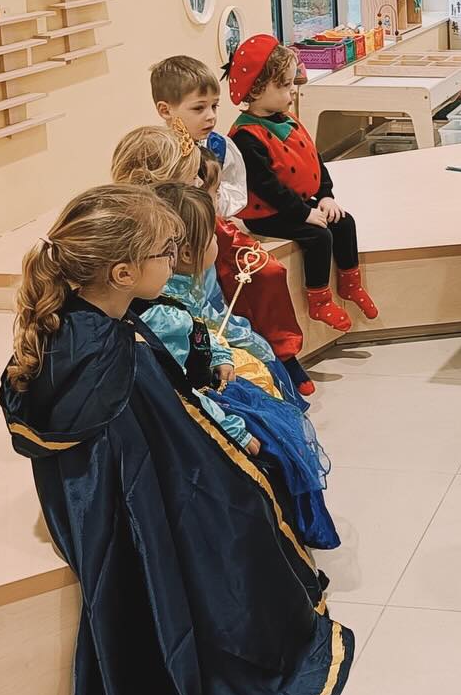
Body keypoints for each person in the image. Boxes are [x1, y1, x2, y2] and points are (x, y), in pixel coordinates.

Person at [0, 184, 351, 695]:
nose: (176, 258)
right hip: (123, 502)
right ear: (121, 270)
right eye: (167, 250)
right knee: (241, 504)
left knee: (240, 483)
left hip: (96, 485)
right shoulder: (118, 350)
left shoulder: (83, 325)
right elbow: (168, 450)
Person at [142, 182, 339, 549]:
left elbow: (200, 329)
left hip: (209, 382)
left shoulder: (178, 293)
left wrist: (221, 355)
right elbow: (181, 383)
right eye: (213, 237)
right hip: (204, 409)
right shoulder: (162, 314)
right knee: (276, 441)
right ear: (185, 252)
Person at [113, 123, 313, 394]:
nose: (198, 183)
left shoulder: (180, 226)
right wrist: (225, 348)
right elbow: (184, 318)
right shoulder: (159, 251)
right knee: (258, 363)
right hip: (189, 351)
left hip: (203, 324)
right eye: (192, 178)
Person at [225, 34, 377, 334]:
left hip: (299, 203)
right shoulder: (246, 136)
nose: (291, 92)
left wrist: (326, 196)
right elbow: (268, 188)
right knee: (318, 236)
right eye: (283, 86)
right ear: (256, 89)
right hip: (269, 214)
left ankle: (350, 283)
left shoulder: (288, 119)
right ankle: (318, 299)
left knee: (344, 223)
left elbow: (314, 160)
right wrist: (304, 214)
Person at [150, 54, 249, 217]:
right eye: (198, 108)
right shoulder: (158, 151)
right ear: (165, 110)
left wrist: (212, 194)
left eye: (214, 106)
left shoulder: (220, 146)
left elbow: (235, 194)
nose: (211, 116)